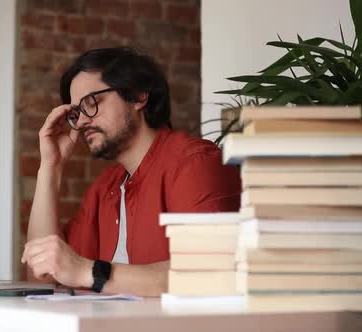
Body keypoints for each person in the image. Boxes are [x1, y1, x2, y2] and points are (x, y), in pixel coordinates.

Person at [21, 47, 241, 296]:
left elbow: (213, 273)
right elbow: (44, 275)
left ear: (138, 96)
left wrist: (87, 271)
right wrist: (51, 166)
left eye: (91, 103)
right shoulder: (104, 188)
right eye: (77, 113)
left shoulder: (195, 164)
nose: (81, 122)